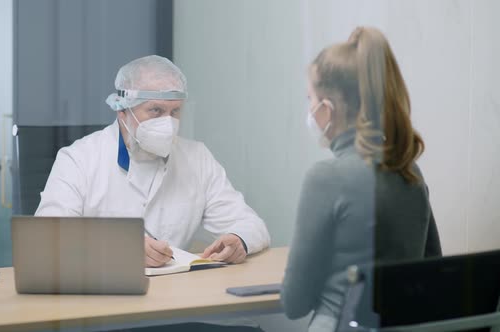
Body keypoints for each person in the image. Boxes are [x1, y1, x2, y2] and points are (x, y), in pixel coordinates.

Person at [35, 55, 270, 268]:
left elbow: (252, 225)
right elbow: (47, 238)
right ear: (122, 110)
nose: (168, 123)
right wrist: (121, 248)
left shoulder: (197, 158)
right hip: (101, 298)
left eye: (175, 111)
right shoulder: (79, 158)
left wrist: (240, 241)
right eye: (156, 110)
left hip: (173, 298)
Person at [281, 27, 442, 332]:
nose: (309, 110)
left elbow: (295, 303)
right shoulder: (410, 171)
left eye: (310, 99)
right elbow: (432, 265)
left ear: (326, 110)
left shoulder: (326, 178)